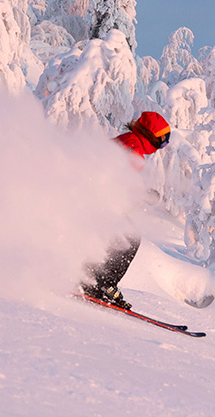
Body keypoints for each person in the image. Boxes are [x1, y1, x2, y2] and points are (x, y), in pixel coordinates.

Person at [81, 111, 171, 310]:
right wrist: (143, 194)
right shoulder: (133, 147)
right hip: (96, 199)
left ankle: (88, 275)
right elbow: (120, 175)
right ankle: (103, 283)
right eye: (161, 142)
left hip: (92, 197)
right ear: (149, 136)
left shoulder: (129, 141)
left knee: (113, 237)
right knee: (128, 238)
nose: (161, 147)